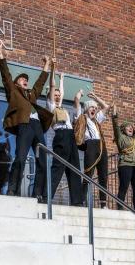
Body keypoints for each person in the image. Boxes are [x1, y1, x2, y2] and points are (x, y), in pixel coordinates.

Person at [0, 47, 53, 200]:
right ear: (15, 84)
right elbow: (6, 76)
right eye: (22, 79)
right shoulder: (13, 92)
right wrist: (1, 58)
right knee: (20, 158)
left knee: (42, 161)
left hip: (37, 127)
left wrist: (47, 65)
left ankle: (37, 193)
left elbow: (39, 84)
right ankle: (12, 189)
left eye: (26, 79)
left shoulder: (31, 96)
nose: (25, 80)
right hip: (25, 125)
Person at [42, 66, 82, 206]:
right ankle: (46, 195)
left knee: (75, 169)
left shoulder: (62, 107)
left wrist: (62, 80)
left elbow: (62, 91)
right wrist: (53, 71)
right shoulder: (51, 106)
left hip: (70, 136)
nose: (58, 96)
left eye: (59, 95)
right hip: (61, 135)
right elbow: (53, 87)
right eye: (56, 95)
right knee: (58, 167)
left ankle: (77, 201)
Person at [74, 90, 110, 207]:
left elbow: (106, 106)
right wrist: (78, 96)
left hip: (101, 146)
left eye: (95, 108)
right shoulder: (82, 118)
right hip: (90, 145)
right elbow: (77, 102)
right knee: (88, 173)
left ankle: (103, 203)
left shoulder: (97, 120)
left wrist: (95, 97)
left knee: (103, 176)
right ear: (86, 109)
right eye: (91, 107)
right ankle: (81, 200)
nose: (94, 109)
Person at [112, 105, 135, 212]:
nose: (131, 128)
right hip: (125, 164)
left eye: (132, 127)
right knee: (124, 187)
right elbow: (115, 124)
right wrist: (114, 111)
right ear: (123, 129)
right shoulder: (120, 137)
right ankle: (120, 207)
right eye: (128, 127)